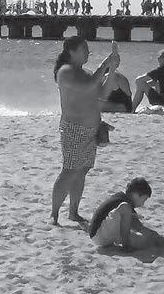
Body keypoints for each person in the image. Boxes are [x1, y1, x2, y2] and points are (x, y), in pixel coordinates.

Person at [51, 37, 118, 225]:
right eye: (84, 49)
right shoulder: (65, 71)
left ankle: (73, 212)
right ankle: (54, 214)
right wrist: (105, 64)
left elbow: (102, 94)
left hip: (91, 129)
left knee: (82, 171)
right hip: (74, 129)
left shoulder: (86, 73)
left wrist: (112, 69)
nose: (88, 52)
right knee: (69, 171)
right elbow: (86, 87)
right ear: (72, 52)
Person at [89, 178, 164, 250]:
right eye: (144, 200)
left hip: (108, 236)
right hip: (99, 233)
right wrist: (156, 236)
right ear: (135, 195)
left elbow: (138, 226)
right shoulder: (123, 203)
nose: (142, 204)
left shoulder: (124, 201)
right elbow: (137, 226)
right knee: (126, 208)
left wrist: (157, 237)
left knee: (144, 241)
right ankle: (126, 245)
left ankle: (162, 243)